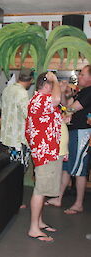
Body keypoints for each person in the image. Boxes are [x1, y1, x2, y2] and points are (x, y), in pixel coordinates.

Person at [45, 65, 91, 215]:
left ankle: (78, 204)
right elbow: (65, 105)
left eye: (83, 74)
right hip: (73, 132)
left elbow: (71, 108)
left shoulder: (89, 92)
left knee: (79, 170)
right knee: (67, 166)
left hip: (82, 133)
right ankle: (58, 198)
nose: (80, 76)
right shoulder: (82, 92)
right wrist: (64, 93)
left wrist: (63, 112)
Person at [25, 71, 62, 242]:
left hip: (47, 151)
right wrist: (54, 80)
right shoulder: (41, 99)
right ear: (46, 85)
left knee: (43, 188)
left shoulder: (40, 100)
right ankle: (33, 228)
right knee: (40, 190)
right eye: (52, 84)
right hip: (44, 153)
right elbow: (56, 100)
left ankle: (38, 222)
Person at [1, 68, 33, 168]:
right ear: (30, 80)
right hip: (18, 140)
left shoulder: (7, 89)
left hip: (7, 138)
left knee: (10, 171)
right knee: (20, 170)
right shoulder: (22, 93)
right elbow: (28, 115)